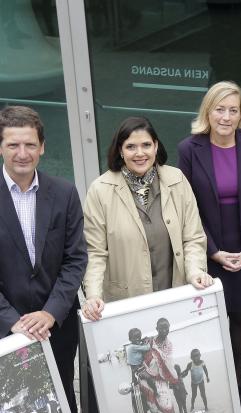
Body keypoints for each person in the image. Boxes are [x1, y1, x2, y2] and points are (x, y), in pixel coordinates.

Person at [178, 81, 241, 410]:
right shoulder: (189, 149)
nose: (226, 117)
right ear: (208, 111)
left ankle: (236, 380)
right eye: (220, 109)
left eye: (233, 110)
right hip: (207, 245)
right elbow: (186, 206)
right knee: (209, 317)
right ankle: (214, 382)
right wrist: (212, 250)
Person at [0, 106, 87, 413]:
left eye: (30, 145)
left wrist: (50, 312)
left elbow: (76, 258)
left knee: (62, 396)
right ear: (1, 147)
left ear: (43, 147)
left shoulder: (64, 193)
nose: (22, 153)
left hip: (57, 323)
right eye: (13, 145)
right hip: (5, 325)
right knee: (13, 404)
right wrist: (13, 321)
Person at [82, 116, 210, 320]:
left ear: (156, 146)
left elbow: (193, 237)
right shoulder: (100, 191)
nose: (140, 153)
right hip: (127, 302)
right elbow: (95, 252)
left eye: (146, 145)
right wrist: (93, 295)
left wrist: (195, 272)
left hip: (174, 295)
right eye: (131, 146)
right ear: (120, 151)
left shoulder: (177, 180)